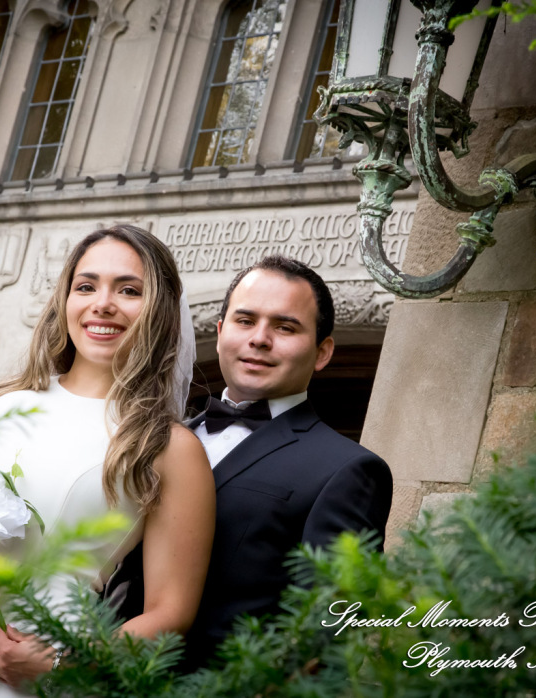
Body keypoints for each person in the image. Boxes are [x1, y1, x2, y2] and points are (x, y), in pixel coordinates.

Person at [0, 225, 215, 695]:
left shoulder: (167, 445)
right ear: (65, 300)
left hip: (37, 662)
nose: (103, 303)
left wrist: (66, 660)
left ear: (159, 310)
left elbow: (170, 613)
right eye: (86, 286)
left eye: (129, 290)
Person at [104, 255, 393, 669]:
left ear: (323, 352)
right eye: (245, 320)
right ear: (221, 331)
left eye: (285, 327)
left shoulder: (349, 470)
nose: (259, 339)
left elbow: (326, 630)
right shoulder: (154, 441)